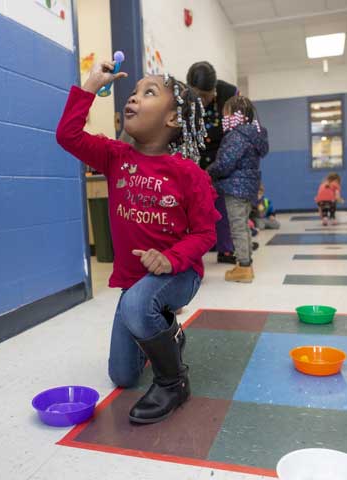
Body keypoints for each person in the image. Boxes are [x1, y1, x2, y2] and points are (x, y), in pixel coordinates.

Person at [56, 61, 219, 424]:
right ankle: (168, 331)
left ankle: (173, 382)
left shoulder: (188, 174)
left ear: (173, 120)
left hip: (179, 273)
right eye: (133, 92)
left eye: (149, 93)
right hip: (134, 283)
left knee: (136, 306)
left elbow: (205, 234)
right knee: (123, 375)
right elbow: (67, 136)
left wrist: (170, 258)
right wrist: (89, 88)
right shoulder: (115, 158)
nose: (133, 98)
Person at [207, 96, 268, 283]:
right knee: (244, 225)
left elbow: (225, 163)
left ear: (235, 115)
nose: (223, 117)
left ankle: (244, 267)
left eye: (226, 113)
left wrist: (208, 172)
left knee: (238, 227)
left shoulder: (236, 135)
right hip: (249, 187)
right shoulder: (254, 134)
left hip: (236, 187)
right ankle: (246, 263)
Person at [187, 61, 238, 264]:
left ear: (214, 90)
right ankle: (194, 248)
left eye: (205, 96)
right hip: (196, 155)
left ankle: (226, 249)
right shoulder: (184, 98)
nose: (201, 101)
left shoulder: (229, 95)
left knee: (222, 204)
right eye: (196, 95)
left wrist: (221, 164)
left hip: (223, 156)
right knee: (195, 206)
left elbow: (235, 135)